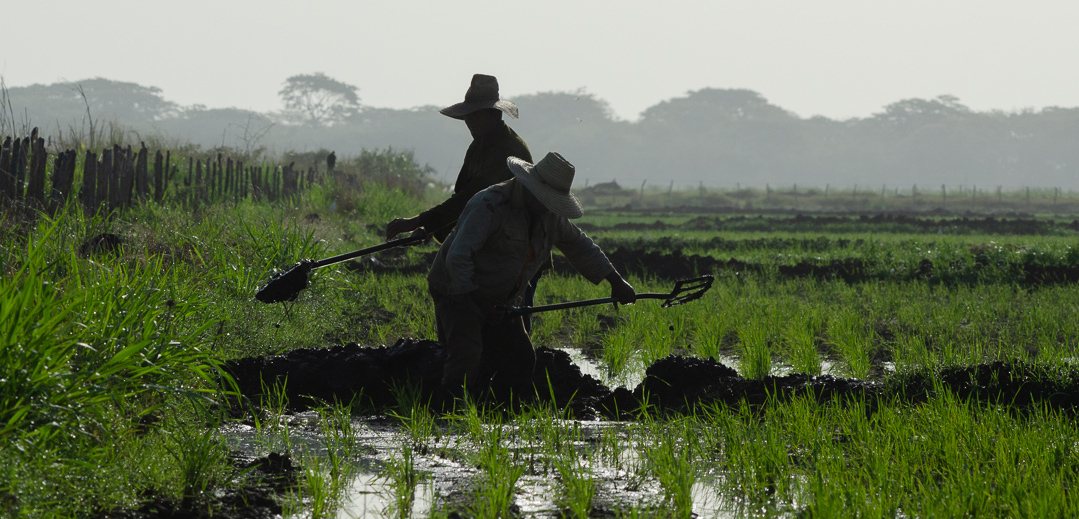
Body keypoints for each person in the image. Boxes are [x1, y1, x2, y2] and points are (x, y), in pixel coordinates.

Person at [427, 152, 636, 400]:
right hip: (458, 289)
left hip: (503, 297)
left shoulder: (549, 215)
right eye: (547, 199)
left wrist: (616, 281)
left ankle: (497, 414)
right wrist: (480, 302)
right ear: (529, 187)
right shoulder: (491, 204)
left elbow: (579, 246)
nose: (549, 206)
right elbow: (458, 258)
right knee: (466, 354)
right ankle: (447, 416)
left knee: (521, 358)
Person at [386, 73, 547, 331]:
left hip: (519, 249)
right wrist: (430, 229)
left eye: (476, 115)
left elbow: (467, 200)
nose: (470, 122)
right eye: (467, 116)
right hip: (493, 244)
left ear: (495, 115)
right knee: (488, 321)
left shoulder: (509, 151)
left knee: (512, 321)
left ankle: (520, 369)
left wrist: (419, 221)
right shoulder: (478, 147)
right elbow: (463, 200)